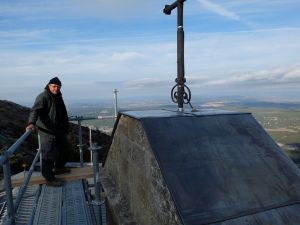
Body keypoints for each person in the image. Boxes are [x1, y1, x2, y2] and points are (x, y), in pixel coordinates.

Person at [26, 77, 70, 186]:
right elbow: (35, 110)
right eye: (54, 86)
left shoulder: (58, 96)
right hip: (47, 130)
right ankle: (49, 179)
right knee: (48, 154)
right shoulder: (43, 96)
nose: (56, 88)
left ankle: (59, 168)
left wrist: (65, 127)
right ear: (49, 85)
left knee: (65, 148)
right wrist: (31, 123)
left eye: (58, 87)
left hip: (58, 129)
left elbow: (61, 112)